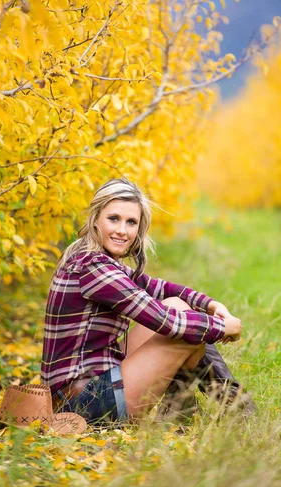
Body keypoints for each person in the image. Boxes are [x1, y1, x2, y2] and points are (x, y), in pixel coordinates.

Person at [41, 178, 245, 425]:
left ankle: (200, 410)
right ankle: (231, 409)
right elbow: (165, 321)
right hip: (83, 402)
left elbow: (160, 288)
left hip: (90, 386)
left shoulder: (95, 259)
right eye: (113, 218)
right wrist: (223, 327)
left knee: (179, 307)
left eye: (131, 222)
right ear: (96, 219)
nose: (122, 231)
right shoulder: (93, 268)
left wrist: (212, 306)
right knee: (184, 328)